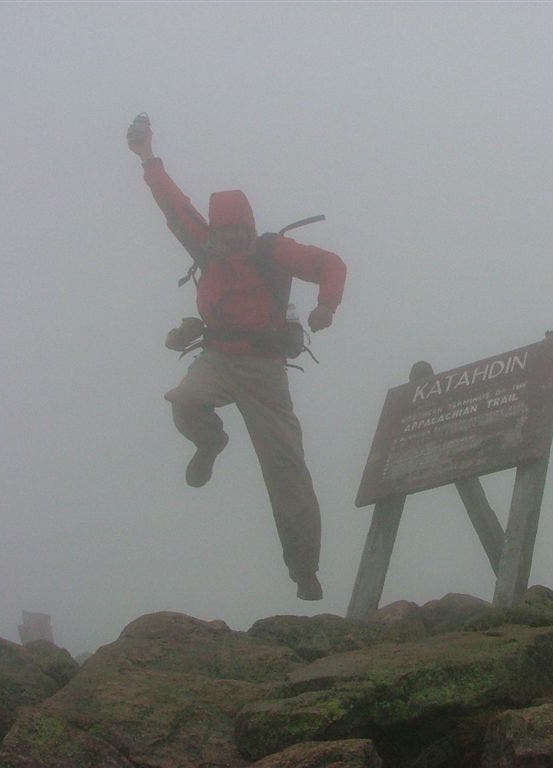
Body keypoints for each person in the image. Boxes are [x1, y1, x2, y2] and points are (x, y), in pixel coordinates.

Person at [127, 115, 345, 601]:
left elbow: (330, 264)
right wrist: (146, 155)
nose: (230, 241)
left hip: (265, 371)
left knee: (286, 470)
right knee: (183, 399)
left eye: (238, 231)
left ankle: (304, 570)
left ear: (250, 226)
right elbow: (172, 201)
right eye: (224, 233)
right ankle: (209, 442)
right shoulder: (202, 243)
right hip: (219, 358)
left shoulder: (273, 251)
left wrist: (326, 306)